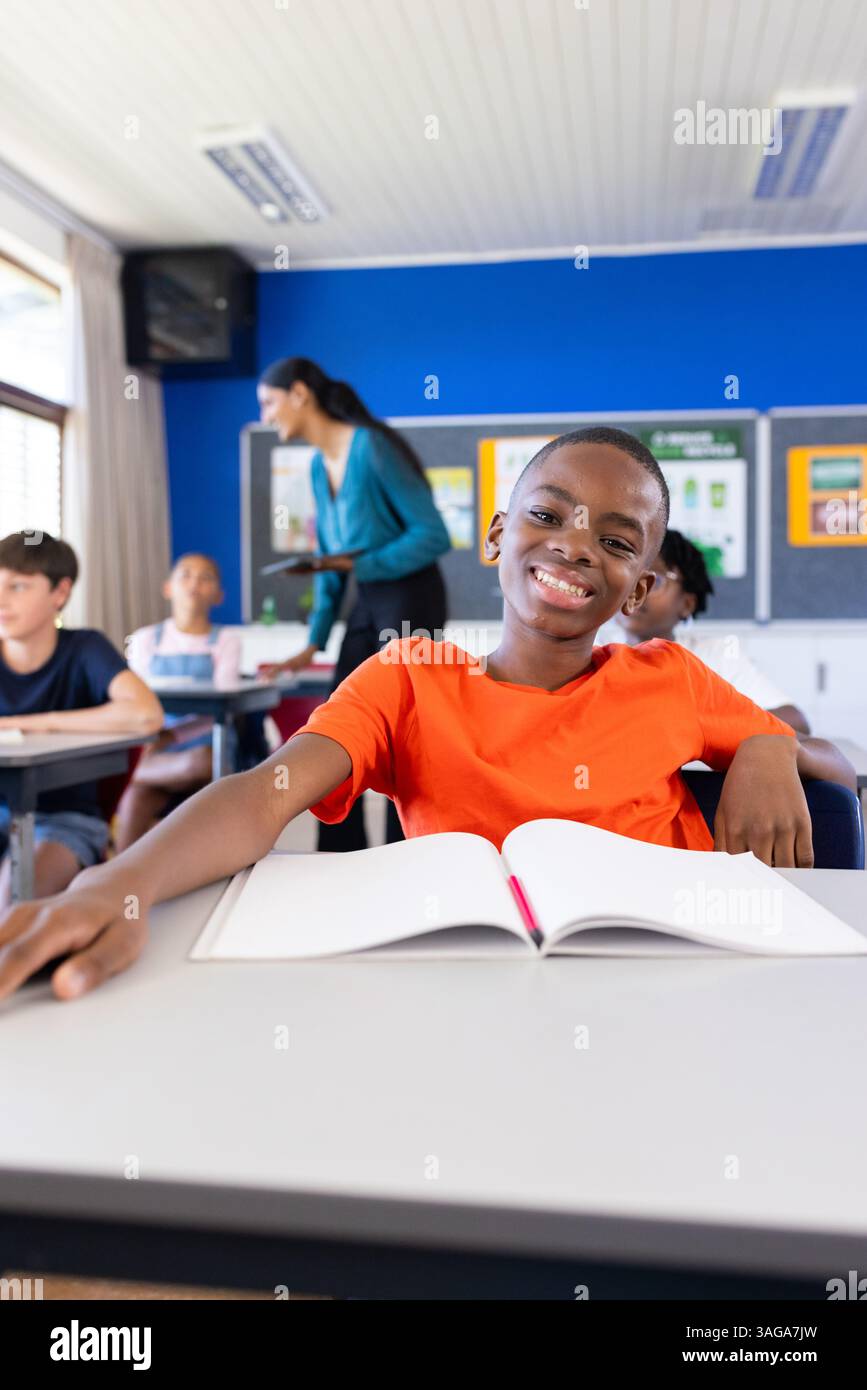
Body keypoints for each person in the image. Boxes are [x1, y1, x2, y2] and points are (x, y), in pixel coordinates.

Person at [0, 428, 855, 1001]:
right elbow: (267, 792)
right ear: (495, 536)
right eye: (547, 514)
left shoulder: (667, 676)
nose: (574, 545)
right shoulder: (408, 677)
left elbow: (839, 770)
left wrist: (768, 748)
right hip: (463, 987)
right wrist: (117, 884)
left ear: (636, 587)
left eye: (618, 540)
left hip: (673, 985)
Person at [255, 357, 451, 850]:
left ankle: (406, 849)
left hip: (411, 595)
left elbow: (433, 534)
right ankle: (339, 857)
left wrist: (355, 567)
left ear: (300, 394)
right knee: (337, 723)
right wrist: (312, 643)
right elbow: (330, 561)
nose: (266, 416)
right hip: (369, 598)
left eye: (269, 403)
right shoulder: (320, 468)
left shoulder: (373, 448)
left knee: (401, 732)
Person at [0, 532, 162, 908]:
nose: (2, 599)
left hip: (65, 820)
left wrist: (36, 722)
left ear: (60, 593)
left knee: (11, 899)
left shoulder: (85, 648)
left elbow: (145, 713)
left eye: (18, 586)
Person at [614, 529, 811, 733]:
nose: (636, 590)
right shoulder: (594, 648)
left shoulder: (717, 655)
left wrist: (699, 723)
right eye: (629, 574)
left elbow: (795, 721)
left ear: (687, 604)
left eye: (656, 581)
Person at [114, 554, 242, 849]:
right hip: (155, 744)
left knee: (200, 761)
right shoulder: (145, 640)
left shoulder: (226, 640)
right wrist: (157, 737)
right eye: (185, 574)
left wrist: (172, 734)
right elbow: (135, 704)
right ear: (168, 588)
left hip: (208, 742)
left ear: (219, 595)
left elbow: (223, 708)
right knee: (136, 798)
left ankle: (129, 774)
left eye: (205, 577)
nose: (194, 583)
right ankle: (118, 882)